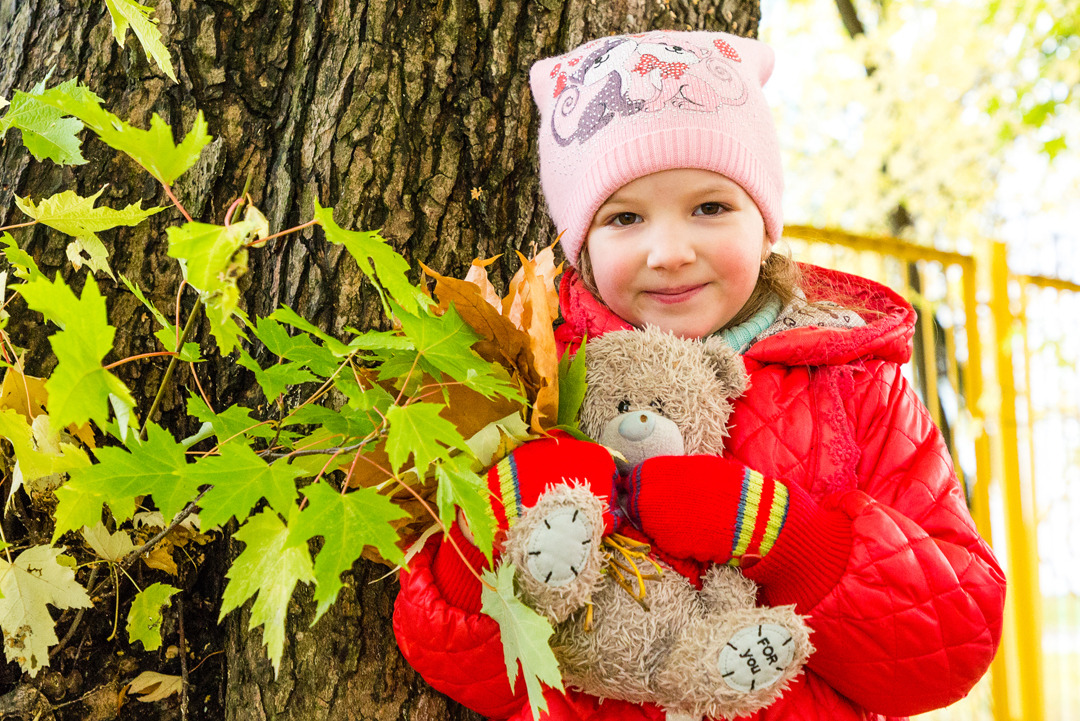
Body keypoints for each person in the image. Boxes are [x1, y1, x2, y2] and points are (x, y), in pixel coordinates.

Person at [393, 29, 1006, 721]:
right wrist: (501, 520)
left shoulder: (854, 379)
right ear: (582, 242)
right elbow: (463, 660)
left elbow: (949, 645)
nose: (670, 251)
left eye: (710, 207)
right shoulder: (534, 373)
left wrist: (788, 538)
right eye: (625, 217)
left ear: (764, 219)